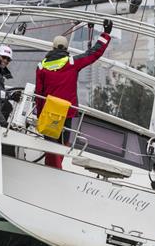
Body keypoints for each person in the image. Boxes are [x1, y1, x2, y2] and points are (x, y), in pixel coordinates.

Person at [35, 20, 113, 168]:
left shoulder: (41, 67)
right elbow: (94, 53)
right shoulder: (72, 63)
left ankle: (52, 171)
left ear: (52, 47)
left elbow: (39, 93)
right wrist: (106, 34)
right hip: (66, 112)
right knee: (63, 144)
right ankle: (56, 171)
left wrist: (39, 115)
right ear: (66, 48)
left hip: (49, 112)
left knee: (51, 145)